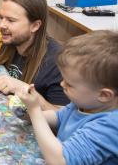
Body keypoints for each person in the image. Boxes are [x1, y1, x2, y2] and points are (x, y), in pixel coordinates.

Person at [17, 30, 118, 165]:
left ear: (104, 95)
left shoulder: (110, 128)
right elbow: (59, 117)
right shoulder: (85, 104)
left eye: (69, 84)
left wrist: (35, 111)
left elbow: (59, 161)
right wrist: (27, 112)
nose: (62, 84)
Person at [0, 0, 69, 110]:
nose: (2, 25)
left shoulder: (58, 61)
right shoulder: (12, 41)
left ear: (35, 26)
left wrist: (24, 89)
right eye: (1, 17)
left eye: (11, 20)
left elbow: (63, 118)